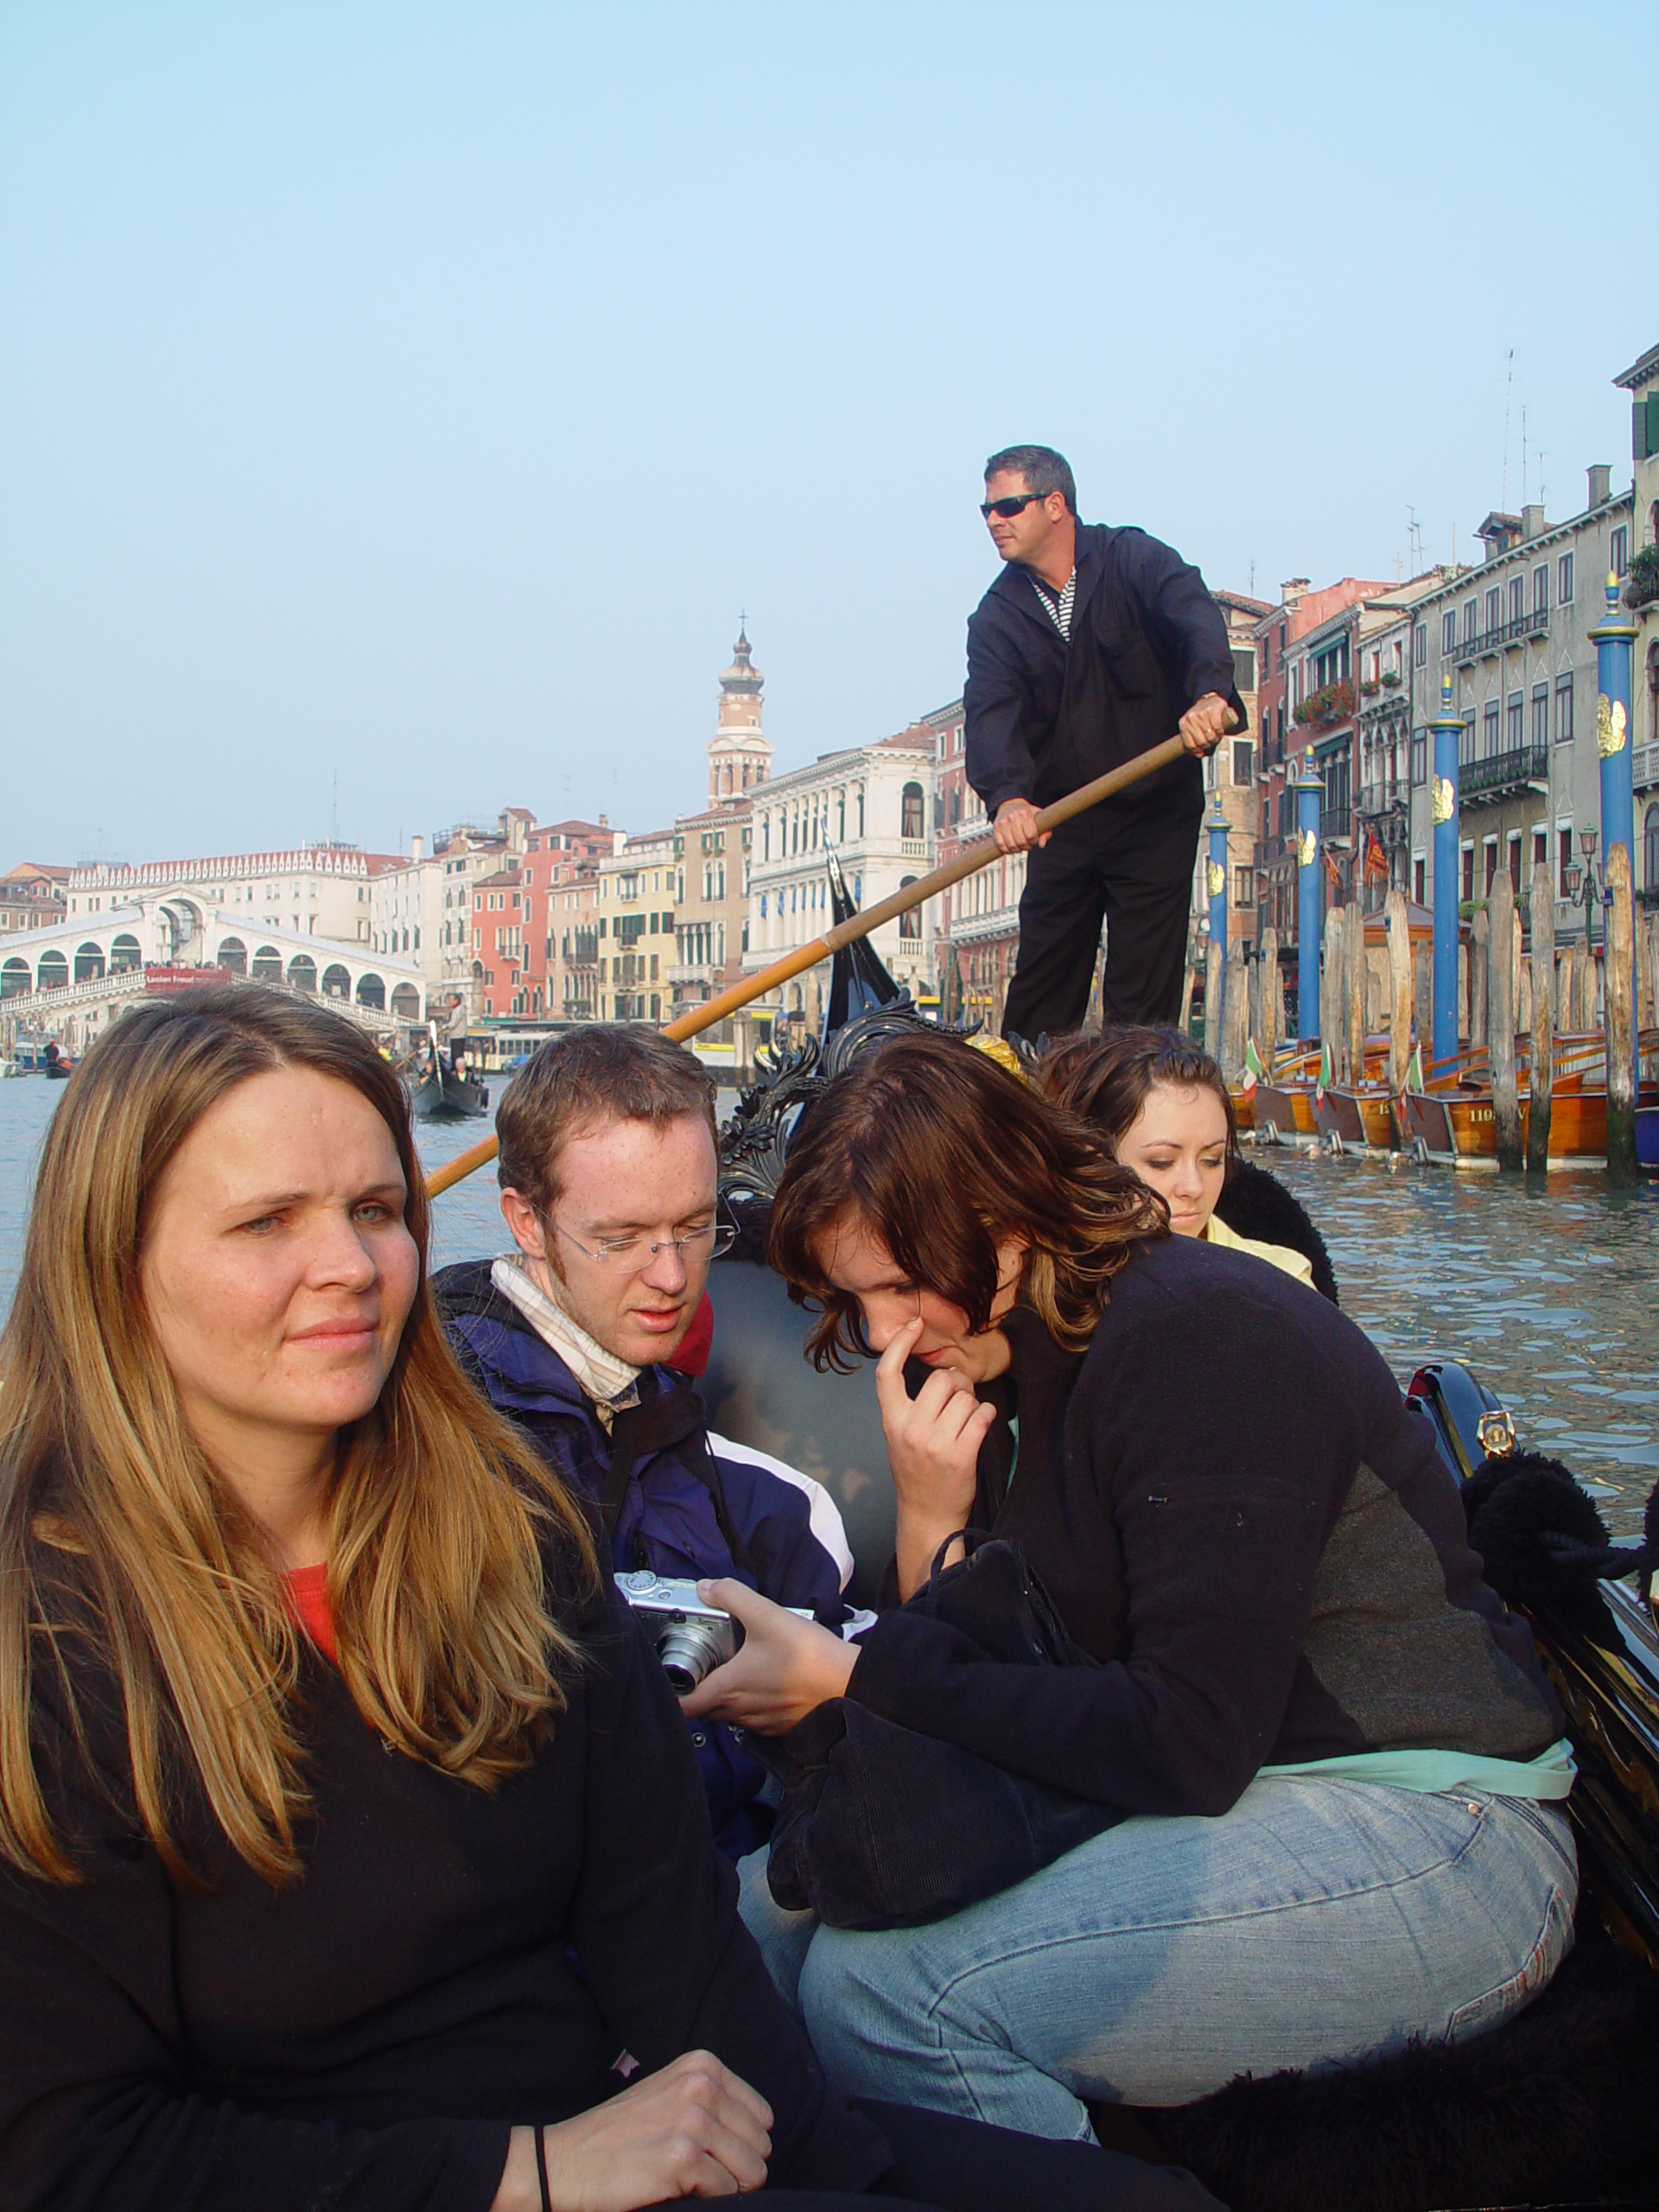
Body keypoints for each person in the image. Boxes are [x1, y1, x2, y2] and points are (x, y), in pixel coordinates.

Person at [0, 989, 1217, 2212]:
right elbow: (66, 2154)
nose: (352, 1268)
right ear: (117, 1257)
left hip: (619, 2129)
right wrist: (521, 2172)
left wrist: (848, 2185)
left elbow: (677, 1958)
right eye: (268, 1221)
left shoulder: (509, 1537)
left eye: (376, 1210)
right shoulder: (48, 1631)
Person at [681, 1029, 1578, 2138]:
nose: (879, 1334)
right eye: (856, 1296)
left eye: (903, 1286)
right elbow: (994, 1676)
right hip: (1257, 1790)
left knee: (885, 2001)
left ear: (1008, 1227)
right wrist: (929, 1514)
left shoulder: (1203, 1338)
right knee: (750, 1927)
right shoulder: (1017, 1356)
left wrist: (864, 1676)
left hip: (1442, 1836)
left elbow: (1188, 1736)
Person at [434, 1026, 854, 1860]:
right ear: (525, 1220)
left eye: (696, 1228)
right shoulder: (439, 1440)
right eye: (621, 1239)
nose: (671, 1276)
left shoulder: (751, 1494)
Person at [965, 445, 1242, 1039]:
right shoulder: (995, 618)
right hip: (1063, 818)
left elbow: (1192, 611)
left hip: (1155, 809)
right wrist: (1009, 797)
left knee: (1141, 1003)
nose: (994, 521)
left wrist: (1210, 694)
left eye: (1008, 506)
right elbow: (991, 712)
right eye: (986, 510)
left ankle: (1135, 1119)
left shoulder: (1132, 559)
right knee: (1042, 991)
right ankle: (1025, 1119)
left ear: (1056, 504)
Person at [1038, 1027, 1315, 1286]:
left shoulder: (1283, 1280)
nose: (1194, 1188)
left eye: (1212, 1160)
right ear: (1093, 1159)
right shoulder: (1029, 1283)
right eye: (1162, 1163)